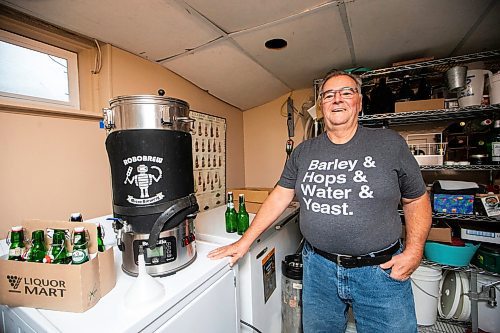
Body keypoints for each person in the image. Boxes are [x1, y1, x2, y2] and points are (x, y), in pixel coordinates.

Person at [208, 70, 432, 333]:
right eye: (329, 94)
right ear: (321, 106)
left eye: (346, 92)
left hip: (379, 272)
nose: (337, 99)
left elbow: (416, 199)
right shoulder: (304, 152)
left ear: (359, 101)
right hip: (318, 269)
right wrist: (244, 241)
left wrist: (415, 251)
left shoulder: (389, 144)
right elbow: (280, 195)